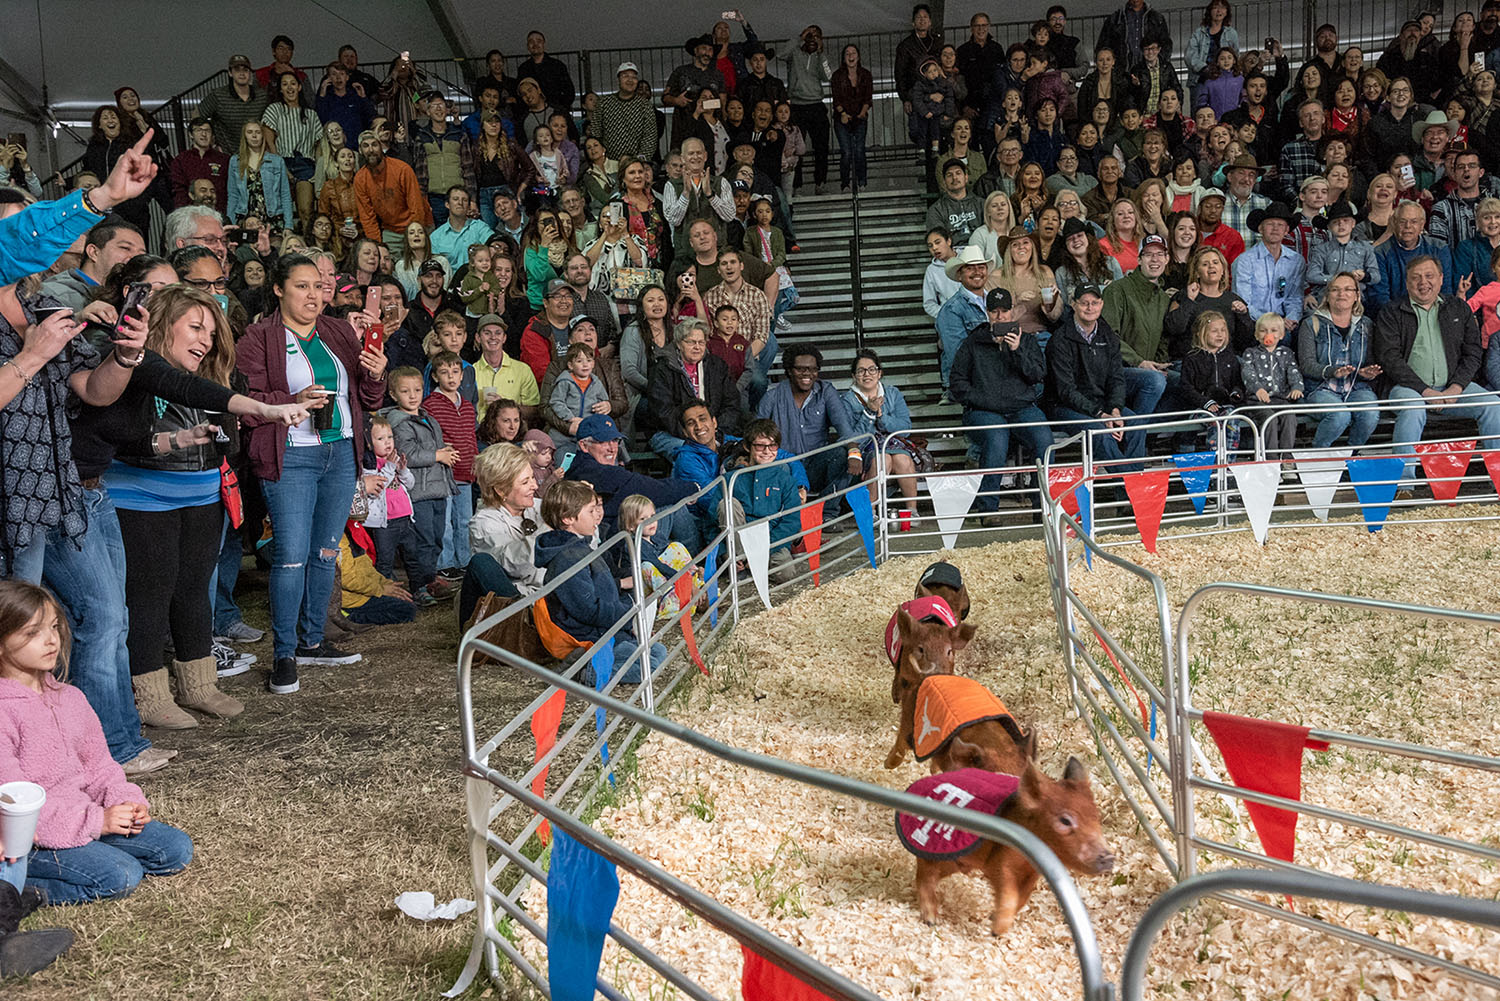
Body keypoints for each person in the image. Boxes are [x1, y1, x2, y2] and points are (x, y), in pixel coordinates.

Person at [237, 254, 386, 695]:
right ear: (279, 289)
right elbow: (245, 401)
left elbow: (366, 396)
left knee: (325, 551)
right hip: (293, 455)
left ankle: (312, 641)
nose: (313, 296)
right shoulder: (259, 338)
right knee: (290, 555)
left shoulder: (338, 331)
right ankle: (284, 654)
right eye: (301, 286)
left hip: (340, 452)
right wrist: (293, 396)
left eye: (318, 287)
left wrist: (376, 375)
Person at [0, 581, 193, 906]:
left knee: (174, 849)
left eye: (53, 627)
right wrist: (95, 823)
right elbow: (12, 804)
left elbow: (101, 767)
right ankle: (21, 892)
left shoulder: (71, 698)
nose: (50, 640)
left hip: (84, 818)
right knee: (121, 875)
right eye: (33, 633)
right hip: (32, 840)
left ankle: (91, 853)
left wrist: (127, 802)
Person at [1374, 255, 1500, 488]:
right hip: (1408, 389)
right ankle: (1404, 486)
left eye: (1429, 276)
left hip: (1454, 386)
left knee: (1493, 405)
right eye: (1416, 278)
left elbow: (1473, 353)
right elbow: (1389, 358)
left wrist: (1457, 386)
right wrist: (1424, 390)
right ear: (1407, 281)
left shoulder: (1459, 308)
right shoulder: (1391, 312)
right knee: (1412, 409)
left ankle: (1498, 481)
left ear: (1441, 279)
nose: (1423, 282)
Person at [534, 480, 668, 684]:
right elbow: (587, 609)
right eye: (590, 511)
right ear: (568, 518)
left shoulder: (583, 548)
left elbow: (602, 590)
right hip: (593, 634)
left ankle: (594, 663)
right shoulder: (568, 558)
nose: (598, 515)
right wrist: (627, 616)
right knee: (649, 665)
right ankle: (582, 673)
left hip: (609, 626)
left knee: (658, 650)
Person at [950, 289, 1053, 520]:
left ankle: (1043, 508)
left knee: (1044, 440)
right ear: (987, 313)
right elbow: (956, 383)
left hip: (1021, 408)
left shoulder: (1025, 340)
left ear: (1012, 312)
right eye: (994, 311)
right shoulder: (973, 342)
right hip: (984, 410)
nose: (1000, 316)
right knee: (997, 438)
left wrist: (1016, 351)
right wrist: (981, 399)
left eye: (1004, 311)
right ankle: (988, 509)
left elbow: (1038, 375)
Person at [1045, 282, 1146, 468]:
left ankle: (1131, 487)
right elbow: (1065, 391)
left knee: (1137, 425)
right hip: (1064, 407)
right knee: (1099, 433)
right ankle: (1130, 489)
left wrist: (1115, 410)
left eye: (1094, 302)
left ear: (1101, 304)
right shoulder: (1059, 340)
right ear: (1073, 304)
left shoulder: (1108, 336)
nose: (1089, 308)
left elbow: (1117, 378)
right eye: (1084, 303)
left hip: (1101, 404)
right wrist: (1099, 414)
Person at [754, 344, 860, 495]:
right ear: (789, 371)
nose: (807, 374)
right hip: (786, 466)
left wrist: (854, 452)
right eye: (800, 369)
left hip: (816, 466)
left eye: (812, 369)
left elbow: (843, 426)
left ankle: (828, 513)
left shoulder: (826, 392)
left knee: (841, 454)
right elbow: (756, 435)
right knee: (775, 466)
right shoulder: (772, 397)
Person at [1297, 273, 1382, 448]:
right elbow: (1306, 365)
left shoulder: (1366, 325)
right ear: (1327, 295)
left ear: (1357, 295)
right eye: (1335, 290)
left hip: (1356, 386)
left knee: (1370, 413)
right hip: (1321, 389)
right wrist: (1332, 371)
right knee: (1339, 415)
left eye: (1347, 289)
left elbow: (1369, 362)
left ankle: (1351, 454)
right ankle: (1317, 454)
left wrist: (1365, 373)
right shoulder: (1311, 323)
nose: (1341, 294)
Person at [643, 317, 742, 458]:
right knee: (695, 455)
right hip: (671, 434)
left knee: (746, 448)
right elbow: (663, 412)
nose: (697, 347)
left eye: (701, 342)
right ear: (678, 343)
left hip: (715, 432)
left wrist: (714, 432)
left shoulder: (717, 366)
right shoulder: (662, 369)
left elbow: (731, 404)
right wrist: (696, 435)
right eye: (691, 342)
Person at [842, 350, 922, 518]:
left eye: (872, 369)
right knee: (882, 459)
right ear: (854, 376)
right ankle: (869, 512)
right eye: (861, 370)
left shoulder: (892, 393)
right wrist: (869, 414)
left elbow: (905, 428)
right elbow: (853, 436)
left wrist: (882, 417)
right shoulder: (846, 400)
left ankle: (912, 511)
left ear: (879, 373)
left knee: (902, 458)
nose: (867, 374)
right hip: (865, 448)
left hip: (893, 444)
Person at [724, 420, 804, 583]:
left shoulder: (786, 480)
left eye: (772, 446)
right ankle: (738, 561)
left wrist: (764, 547)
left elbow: (792, 521)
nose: (767, 451)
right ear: (748, 447)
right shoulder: (731, 478)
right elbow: (712, 519)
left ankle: (751, 564)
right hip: (739, 540)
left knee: (786, 572)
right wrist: (723, 553)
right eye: (760, 446)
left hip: (769, 540)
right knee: (726, 504)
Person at [39, 219, 145, 311]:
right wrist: (79, 319)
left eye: (141, 254)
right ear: (93, 252)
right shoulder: (52, 294)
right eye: (125, 248)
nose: (135, 258)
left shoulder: (133, 299)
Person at [354, 129, 428, 260]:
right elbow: (367, 217)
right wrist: (378, 246)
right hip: (391, 230)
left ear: (381, 147)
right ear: (360, 151)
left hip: (417, 224)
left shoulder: (401, 169)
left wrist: (414, 233)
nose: (371, 150)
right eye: (366, 146)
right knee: (385, 263)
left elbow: (416, 207)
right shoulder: (360, 178)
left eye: (374, 145)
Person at [1239, 313, 1304, 459]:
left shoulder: (1286, 353)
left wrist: (1297, 387)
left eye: (1274, 331)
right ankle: (1271, 458)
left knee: (1289, 416)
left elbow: (1294, 371)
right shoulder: (1250, 353)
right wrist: (1257, 389)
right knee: (1270, 418)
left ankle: (1287, 457)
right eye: (1263, 330)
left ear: (1281, 335)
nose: (1268, 334)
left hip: (1280, 398)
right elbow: (1247, 373)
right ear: (1256, 334)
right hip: (1257, 401)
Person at [1234, 202, 1304, 335]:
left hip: (1284, 324)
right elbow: (1243, 301)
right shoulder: (1245, 260)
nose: (1275, 228)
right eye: (1270, 224)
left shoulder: (1296, 261)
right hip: (1253, 324)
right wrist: (1273, 323)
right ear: (1261, 229)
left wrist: (1291, 319)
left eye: (1280, 225)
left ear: (1286, 230)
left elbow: (1295, 297)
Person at [1370, 201, 1455, 310]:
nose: (1407, 226)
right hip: (1396, 316)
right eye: (1402, 222)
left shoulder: (1439, 249)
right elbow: (1381, 297)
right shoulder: (1381, 253)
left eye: (1414, 221)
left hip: (1434, 312)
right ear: (1394, 223)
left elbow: (1445, 291)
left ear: (1422, 224)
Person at [934, 245, 990, 394]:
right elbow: (958, 355)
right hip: (970, 382)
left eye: (981, 267)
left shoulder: (995, 300)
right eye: (970, 268)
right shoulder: (951, 309)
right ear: (959, 275)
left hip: (994, 376)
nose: (977, 272)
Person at [198, 54, 271, 156]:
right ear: (230, 73)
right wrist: (208, 142)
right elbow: (198, 116)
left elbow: (269, 123)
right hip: (226, 156)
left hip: (256, 154)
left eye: (245, 70)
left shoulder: (262, 96)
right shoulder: (218, 95)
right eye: (237, 70)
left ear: (250, 73)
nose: (242, 73)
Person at [226, 121, 293, 230]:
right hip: (245, 219)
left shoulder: (276, 161)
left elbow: (285, 195)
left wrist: (289, 226)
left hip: (272, 218)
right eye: (250, 132)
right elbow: (233, 195)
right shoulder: (235, 161)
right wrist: (231, 224)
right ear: (244, 136)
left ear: (263, 136)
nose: (254, 135)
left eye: (258, 132)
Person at [1306, 202, 1378, 303]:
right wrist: (1337, 279)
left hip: (1357, 300)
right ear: (1329, 227)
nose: (1341, 224)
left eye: (1346, 220)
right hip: (1327, 298)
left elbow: (1376, 276)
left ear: (1353, 224)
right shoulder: (1321, 249)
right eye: (1335, 222)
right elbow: (1311, 275)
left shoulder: (1366, 248)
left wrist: (1364, 276)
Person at [1178, 310, 1245, 419]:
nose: (1220, 334)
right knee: (1215, 421)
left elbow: (1238, 383)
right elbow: (1186, 387)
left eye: (1223, 330)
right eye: (1214, 331)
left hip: (1227, 406)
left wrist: (1236, 393)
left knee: (1231, 419)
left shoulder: (1230, 358)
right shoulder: (1192, 358)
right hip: (1200, 407)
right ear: (1200, 333)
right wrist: (1205, 402)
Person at [589, 62, 656, 164]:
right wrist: (601, 159)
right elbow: (596, 132)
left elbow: (650, 136)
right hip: (607, 163)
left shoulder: (645, 105)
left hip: (636, 164)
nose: (630, 80)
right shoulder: (604, 103)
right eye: (625, 76)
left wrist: (640, 161)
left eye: (634, 77)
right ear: (618, 79)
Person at [832, 44, 874, 192]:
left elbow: (868, 98)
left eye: (853, 53)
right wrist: (843, 113)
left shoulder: (866, 74)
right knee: (846, 152)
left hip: (860, 116)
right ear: (844, 58)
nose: (851, 56)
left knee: (859, 150)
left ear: (858, 56)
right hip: (841, 118)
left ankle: (862, 182)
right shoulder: (837, 76)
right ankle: (845, 183)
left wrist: (862, 113)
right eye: (847, 53)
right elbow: (836, 99)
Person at [896, 5, 945, 124]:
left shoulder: (937, 42)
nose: (922, 20)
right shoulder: (905, 45)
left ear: (930, 22)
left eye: (925, 17)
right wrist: (905, 99)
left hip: (936, 92)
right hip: (916, 94)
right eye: (919, 17)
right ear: (913, 23)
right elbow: (900, 73)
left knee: (937, 129)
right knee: (917, 130)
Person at [170, 117, 229, 212]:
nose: (204, 134)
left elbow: (229, 190)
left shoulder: (224, 159)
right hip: (190, 214)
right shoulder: (181, 160)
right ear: (190, 135)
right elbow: (179, 190)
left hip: (219, 212)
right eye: (198, 130)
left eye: (207, 131)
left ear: (212, 135)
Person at [1096, 0, 1173, 72]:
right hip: (1122, 70)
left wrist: (1158, 63)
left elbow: (1166, 44)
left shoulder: (1157, 18)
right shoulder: (1114, 19)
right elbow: (1103, 46)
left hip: (1149, 69)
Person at [516, 31, 577, 113]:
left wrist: (561, 110)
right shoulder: (523, 69)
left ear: (544, 44)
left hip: (556, 113)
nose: (535, 44)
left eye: (539, 41)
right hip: (533, 114)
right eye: (531, 42)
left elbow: (569, 92)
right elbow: (521, 94)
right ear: (528, 46)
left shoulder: (557, 65)